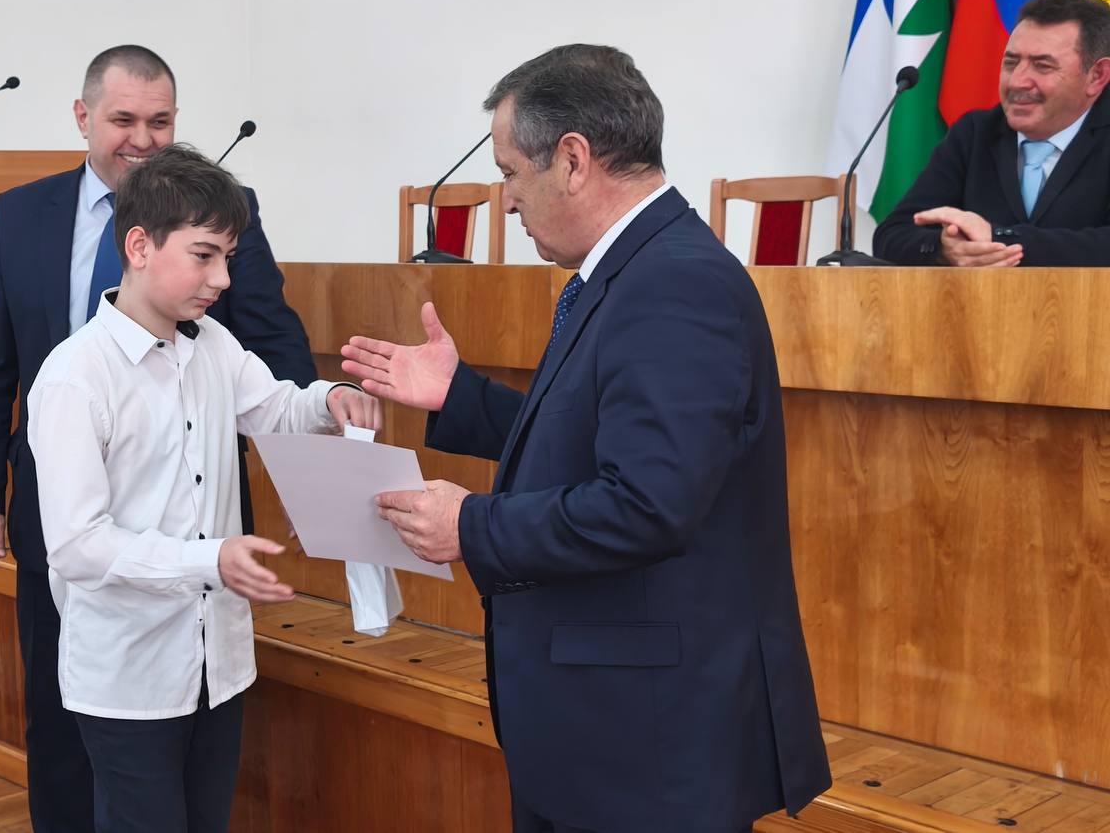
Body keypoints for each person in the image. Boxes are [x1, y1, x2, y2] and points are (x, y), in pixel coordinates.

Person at [342, 44, 830, 832]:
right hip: (610, 734)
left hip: (648, 749)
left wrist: (471, 525)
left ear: (572, 160)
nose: (506, 202)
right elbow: (600, 440)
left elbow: (647, 503)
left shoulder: (673, 282)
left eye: (510, 173)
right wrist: (461, 398)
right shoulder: (634, 269)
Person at [0, 45, 315, 832]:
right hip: (69, 522)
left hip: (198, 574)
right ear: (84, 118)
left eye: (160, 121)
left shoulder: (211, 327)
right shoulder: (28, 233)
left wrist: (334, 411)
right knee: (67, 731)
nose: (143, 139)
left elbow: (275, 372)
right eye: (124, 119)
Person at [26, 143, 380, 832]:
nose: (222, 278)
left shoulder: (212, 344)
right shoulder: (75, 377)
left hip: (218, 661)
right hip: (129, 673)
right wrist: (209, 559)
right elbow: (76, 546)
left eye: (229, 257)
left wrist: (330, 398)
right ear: (139, 246)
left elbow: (274, 408)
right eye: (204, 255)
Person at [875, 0, 1110, 266]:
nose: (1018, 81)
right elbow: (892, 235)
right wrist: (945, 247)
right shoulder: (976, 133)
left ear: (1097, 76)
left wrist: (999, 239)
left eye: (1042, 66)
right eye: (1011, 63)